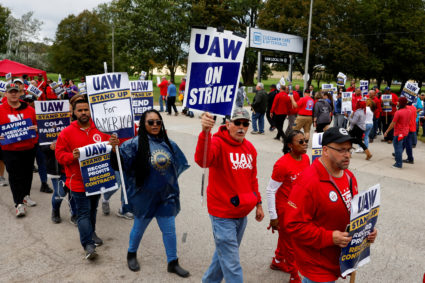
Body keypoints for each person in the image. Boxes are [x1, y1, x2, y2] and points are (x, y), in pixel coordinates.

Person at [285, 127, 378, 282]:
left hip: (340, 261)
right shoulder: (307, 182)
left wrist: (367, 228)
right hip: (317, 266)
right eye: (341, 150)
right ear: (326, 150)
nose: (347, 155)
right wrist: (329, 237)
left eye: (349, 149)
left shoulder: (349, 176)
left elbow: (354, 213)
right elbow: (293, 225)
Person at [111, 109, 190, 277]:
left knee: (169, 230)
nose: (155, 125)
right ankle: (131, 254)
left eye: (158, 122)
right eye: (151, 122)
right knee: (138, 229)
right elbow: (119, 165)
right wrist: (114, 151)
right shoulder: (133, 144)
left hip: (165, 197)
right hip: (144, 198)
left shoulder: (169, 144)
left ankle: (172, 262)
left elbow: (178, 165)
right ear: (143, 125)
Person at [195, 108, 264, 283]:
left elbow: (252, 178)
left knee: (223, 257)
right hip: (222, 215)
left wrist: (258, 203)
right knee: (232, 265)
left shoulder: (250, 148)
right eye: (237, 123)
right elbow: (202, 160)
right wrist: (205, 132)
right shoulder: (217, 142)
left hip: (242, 214)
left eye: (245, 123)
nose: (241, 127)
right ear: (228, 124)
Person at [55, 99, 116, 259]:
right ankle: (88, 245)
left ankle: (92, 232)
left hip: (97, 180)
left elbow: (110, 150)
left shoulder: (101, 129)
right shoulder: (66, 132)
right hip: (77, 181)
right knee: (83, 213)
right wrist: (71, 156)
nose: (83, 113)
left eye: (86, 110)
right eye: (80, 110)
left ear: (90, 112)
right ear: (74, 112)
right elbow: (59, 155)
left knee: (92, 210)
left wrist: (114, 145)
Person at [267, 130, 310, 283]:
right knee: (291, 244)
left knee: (286, 238)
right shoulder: (282, 164)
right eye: (301, 142)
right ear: (290, 145)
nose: (305, 144)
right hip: (284, 209)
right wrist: (273, 217)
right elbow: (271, 190)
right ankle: (295, 276)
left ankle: (278, 261)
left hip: (298, 207)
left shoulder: (306, 159)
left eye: (305, 141)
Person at [0, 83, 38, 216]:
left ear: (20, 93)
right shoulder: (1, 110)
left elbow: (37, 125)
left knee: (27, 173)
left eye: (16, 91)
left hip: (28, 147)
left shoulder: (30, 109)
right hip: (9, 149)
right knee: (15, 176)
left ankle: (25, 196)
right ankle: (18, 203)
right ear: (6, 94)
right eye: (11, 92)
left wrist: (36, 128)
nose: (14, 94)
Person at [42, 140, 77, 224]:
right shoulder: (47, 130)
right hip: (56, 170)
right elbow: (41, 148)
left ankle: (74, 214)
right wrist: (49, 147)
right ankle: (55, 210)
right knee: (60, 193)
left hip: (72, 168)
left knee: (73, 191)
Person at [384, 97, 410, 169]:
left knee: (397, 148)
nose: (397, 103)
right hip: (405, 132)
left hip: (399, 133)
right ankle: (398, 161)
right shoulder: (409, 111)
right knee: (400, 147)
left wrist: (386, 131)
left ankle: (398, 163)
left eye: (398, 102)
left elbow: (392, 124)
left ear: (401, 103)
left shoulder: (398, 112)